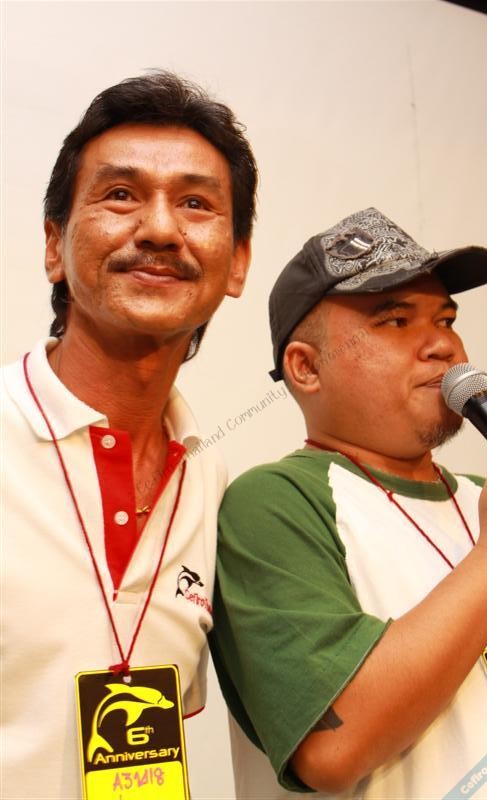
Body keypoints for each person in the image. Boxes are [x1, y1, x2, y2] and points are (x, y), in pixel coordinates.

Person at [209, 208, 487, 799]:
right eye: (396, 320)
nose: (444, 345)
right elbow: (334, 748)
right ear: (307, 367)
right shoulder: (276, 503)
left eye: (446, 319)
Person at [1, 71, 257, 799]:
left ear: (237, 262)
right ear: (53, 245)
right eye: (120, 194)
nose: (161, 230)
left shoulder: (209, 482)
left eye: (196, 203)